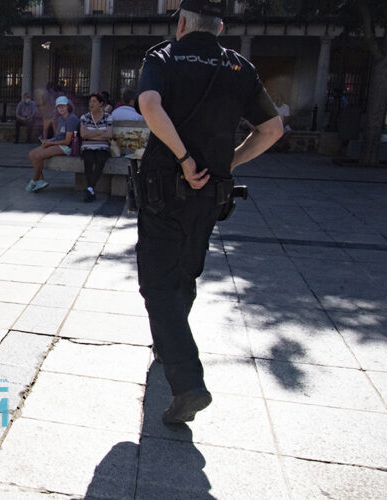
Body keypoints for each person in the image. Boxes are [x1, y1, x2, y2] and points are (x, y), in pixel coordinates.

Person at [135, 0, 282, 424]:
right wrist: (230, 161)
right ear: (219, 27)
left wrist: (182, 157)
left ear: (182, 23)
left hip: (164, 192)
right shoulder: (239, 68)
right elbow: (272, 129)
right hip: (210, 195)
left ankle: (188, 384)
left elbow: (149, 103)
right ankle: (168, 344)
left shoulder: (164, 56)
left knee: (158, 286)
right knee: (184, 274)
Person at [26, 95, 78, 193]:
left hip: (67, 147)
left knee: (38, 156)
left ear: (68, 106)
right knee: (31, 154)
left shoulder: (72, 119)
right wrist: (48, 141)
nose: (61, 108)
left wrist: (51, 143)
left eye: (63, 106)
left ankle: (34, 180)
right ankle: (40, 179)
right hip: (57, 143)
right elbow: (58, 136)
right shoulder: (60, 119)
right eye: (59, 106)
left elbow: (67, 141)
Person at [79, 93, 114, 202]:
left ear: (101, 103)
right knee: (88, 160)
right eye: (90, 102)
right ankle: (91, 190)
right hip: (87, 146)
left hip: (103, 147)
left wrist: (91, 134)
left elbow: (109, 135)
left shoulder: (108, 117)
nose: (91, 104)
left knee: (100, 160)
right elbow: (83, 134)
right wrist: (100, 132)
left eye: (94, 101)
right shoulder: (85, 117)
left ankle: (90, 188)